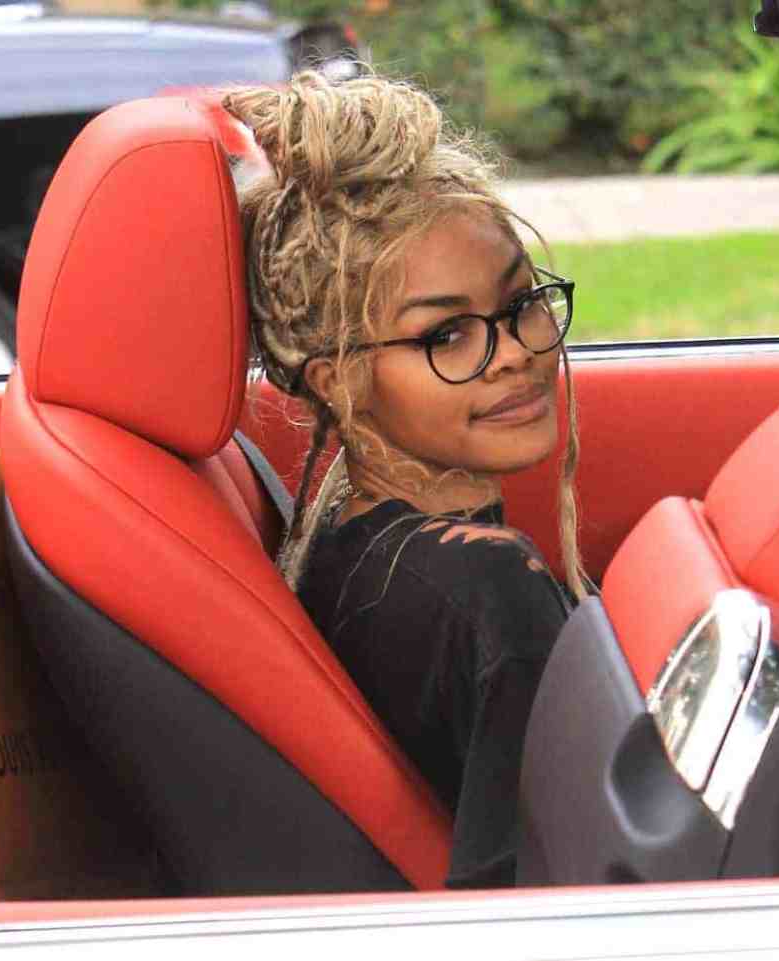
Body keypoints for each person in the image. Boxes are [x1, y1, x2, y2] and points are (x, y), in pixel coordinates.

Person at [222, 70, 588, 888]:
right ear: (336, 380)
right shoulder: (492, 590)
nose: (521, 349)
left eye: (522, 302)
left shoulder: (348, 547)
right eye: (448, 334)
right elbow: (537, 899)